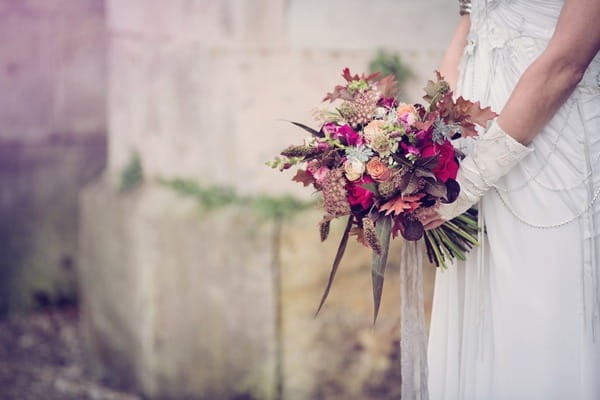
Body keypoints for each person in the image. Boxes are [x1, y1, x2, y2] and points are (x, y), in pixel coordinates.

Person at [421, 0, 600, 398]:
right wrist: (429, 147)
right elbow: (469, 27)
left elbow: (567, 62)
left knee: (538, 310)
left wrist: (469, 179)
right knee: (479, 321)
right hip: (469, 139)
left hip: (550, 145)